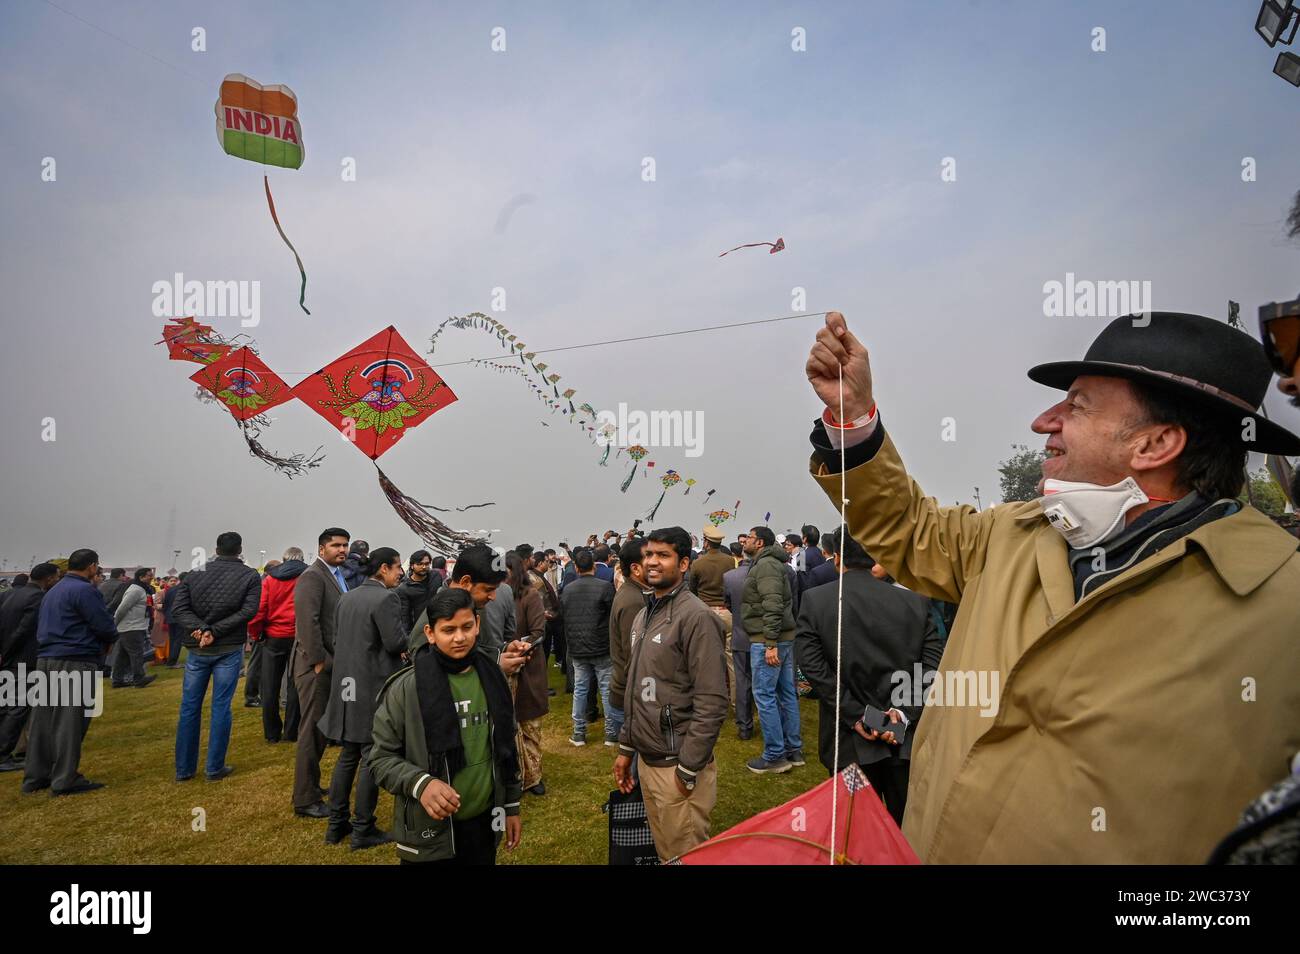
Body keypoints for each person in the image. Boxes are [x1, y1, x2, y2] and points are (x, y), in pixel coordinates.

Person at [804, 309, 1300, 863]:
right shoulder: (1009, 533)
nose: (1045, 420)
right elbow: (905, 528)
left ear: (1156, 443)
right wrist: (852, 417)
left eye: (1078, 405)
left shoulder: (1285, 604)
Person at [794, 528, 944, 826]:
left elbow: (813, 666)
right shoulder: (914, 602)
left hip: (852, 735)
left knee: (852, 831)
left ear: (837, 559)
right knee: (904, 828)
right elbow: (931, 665)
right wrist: (900, 713)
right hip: (898, 736)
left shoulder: (815, 600)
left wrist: (858, 714)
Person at [369, 587, 523, 865]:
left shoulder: (493, 677)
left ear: (478, 624)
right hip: (430, 833)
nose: (460, 638)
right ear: (430, 633)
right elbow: (380, 758)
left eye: (466, 627)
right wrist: (421, 784)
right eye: (448, 630)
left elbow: (507, 747)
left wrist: (511, 805)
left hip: (483, 824)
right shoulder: (406, 689)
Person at [613, 527, 727, 861]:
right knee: (666, 853)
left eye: (663, 555)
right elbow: (639, 688)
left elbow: (713, 700)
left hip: (677, 764)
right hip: (648, 759)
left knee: (686, 854)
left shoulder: (697, 618)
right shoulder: (644, 613)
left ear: (684, 564)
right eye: (648, 554)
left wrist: (688, 769)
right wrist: (626, 747)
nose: (652, 562)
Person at [319, 546, 406, 849]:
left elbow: (335, 638)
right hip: (372, 685)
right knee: (370, 755)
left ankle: (336, 824)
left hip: (346, 684)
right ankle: (363, 827)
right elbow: (395, 642)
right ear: (383, 569)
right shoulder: (386, 598)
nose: (400, 574)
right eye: (397, 568)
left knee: (348, 754)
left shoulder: (347, 596)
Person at [23, 549, 116, 795]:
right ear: (93, 566)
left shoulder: (53, 591)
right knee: (70, 722)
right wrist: (109, 638)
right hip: (75, 658)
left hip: (46, 658)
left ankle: (36, 775)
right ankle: (64, 777)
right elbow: (103, 625)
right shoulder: (85, 591)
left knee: (44, 720)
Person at [171, 532, 261, 783]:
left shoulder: (195, 573)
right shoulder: (249, 575)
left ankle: (184, 769)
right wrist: (212, 630)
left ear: (217, 549)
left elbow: (180, 608)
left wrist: (202, 629)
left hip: (200, 645)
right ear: (239, 550)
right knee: (221, 707)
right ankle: (213, 767)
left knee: (189, 707)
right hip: (227, 645)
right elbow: (248, 610)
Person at [292, 528, 351, 818]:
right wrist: (319, 661)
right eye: (336, 545)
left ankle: (311, 786)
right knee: (312, 732)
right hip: (315, 666)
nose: (342, 550)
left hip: (330, 663)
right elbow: (307, 621)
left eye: (345, 545)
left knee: (320, 731)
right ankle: (305, 799)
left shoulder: (336, 575)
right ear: (321, 547)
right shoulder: (313, 576)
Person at [740, 526, 802, 773]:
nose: (745, 540)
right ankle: (793, 749)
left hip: (769, 640)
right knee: (786, 693)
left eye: (750, 537)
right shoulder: (768, 563)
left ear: (761, 542)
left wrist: (770, 643)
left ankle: (775, 754)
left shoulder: (766, 566)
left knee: (765, 696)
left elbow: (773, 604)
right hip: (779, 638)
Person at [0, 564, 59, 772]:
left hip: (11, 657)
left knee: (7, 706)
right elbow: (24, 630)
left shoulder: (11, 594)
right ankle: (3, 755)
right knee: (18, 708)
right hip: (23, 658)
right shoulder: (37, 598)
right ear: (49, 579)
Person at [247, 548, 308, 743]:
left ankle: (272, 732)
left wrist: (257, 634)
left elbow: (259, 610)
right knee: (294, 684)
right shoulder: (307, 576)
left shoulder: (270, 580)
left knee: (270, 686)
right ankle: (292, 731)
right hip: (298, 635)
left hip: (274, 636)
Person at [560, 549, 614, 746]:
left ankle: (579, 732)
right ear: (594, 566)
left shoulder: (568, 589)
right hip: (601, 645)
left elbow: (563, 614)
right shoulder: (605, 588)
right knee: (607, 690)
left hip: (577, 646)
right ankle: (611, 733)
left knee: (580, 690)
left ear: (576, 568)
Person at [508, 553, 548, 795]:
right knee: (510, 726)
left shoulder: (529, 595)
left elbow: (538, 630)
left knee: (530, 724)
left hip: (528, 666)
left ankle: (533, 776)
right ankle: (516, 774)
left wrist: (520, 647)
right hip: (505, 667)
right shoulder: (496, 596)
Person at [687, 524, 735, 704]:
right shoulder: (730, 561)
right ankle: (736, 701)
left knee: (707, 659)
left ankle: (709, 700)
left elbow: (692, 590)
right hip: (727, 611)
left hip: (707, 612)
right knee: (731, 659)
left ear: (706, 542)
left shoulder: (698, 563)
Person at [608, 537, 648, 746]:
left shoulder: (636, 593)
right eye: (649, 557)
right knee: (636, 772)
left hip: (630, 696)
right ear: (636, 568)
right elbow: (634, 656)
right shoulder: (634, 601)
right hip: (631, 699)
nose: (656, 563)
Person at [722, 545, 755, 740]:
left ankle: (744, 726)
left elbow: (729, 604)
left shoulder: (730, 577)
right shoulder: (730, 576)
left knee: (742, 680)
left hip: (742, 633)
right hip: (766, 636)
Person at [110, 567, 157, 689]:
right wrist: (114, 624)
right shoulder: (136, 590)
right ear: (141, 577)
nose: (151, 577)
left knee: (123, 655)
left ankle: (117, 680)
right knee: (136, 654)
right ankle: (139, 678)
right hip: (131, 627)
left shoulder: (142, 589)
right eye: (149, 575)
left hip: (133, 626)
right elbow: (122, 609)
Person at [396, 549, 439, 634]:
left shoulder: (435, 577)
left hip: (437, 624)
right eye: (419, 564)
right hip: (419, 629)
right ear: (412, 566)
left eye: (426, 564)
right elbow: (405, 616)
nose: (423, 567)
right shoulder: (404, 588)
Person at [163, 571, 187, 668]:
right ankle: (172, 662)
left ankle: (170, 660)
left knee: (173, 639)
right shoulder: (185, 589)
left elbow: (166, 604)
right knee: (177, 640)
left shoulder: (171, 590)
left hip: (170, 616)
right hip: (179, 617)